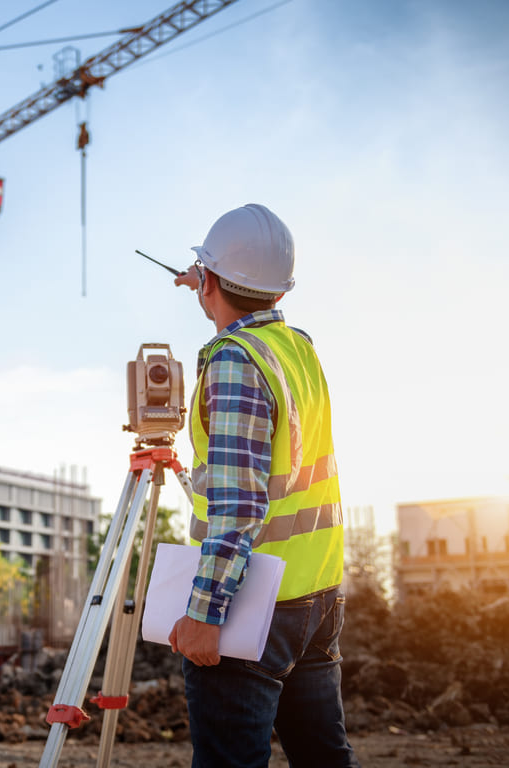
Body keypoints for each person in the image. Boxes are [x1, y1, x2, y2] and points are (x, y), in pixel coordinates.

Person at [168, 204, 359, 767]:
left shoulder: (233, 362)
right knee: (325, 758)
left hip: (253, 604)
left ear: (209, 281)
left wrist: (204, 615)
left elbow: (239, 504)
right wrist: (210, 286)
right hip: (317, 596)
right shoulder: (298, 348)